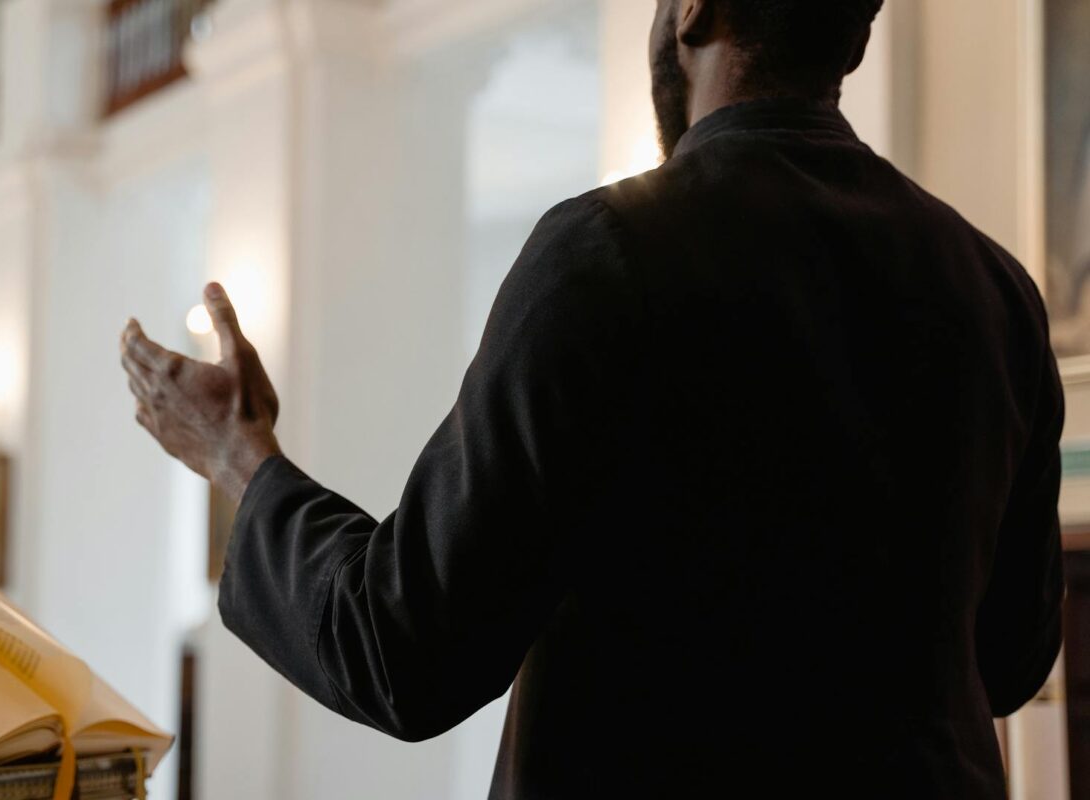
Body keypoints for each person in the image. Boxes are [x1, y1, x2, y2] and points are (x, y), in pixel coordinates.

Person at [120, 0, 1066, 795]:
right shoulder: (993, 288)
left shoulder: (609, 257)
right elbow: (1012, 659)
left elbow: (403, 649)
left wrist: (233, 453)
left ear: (692, 7)